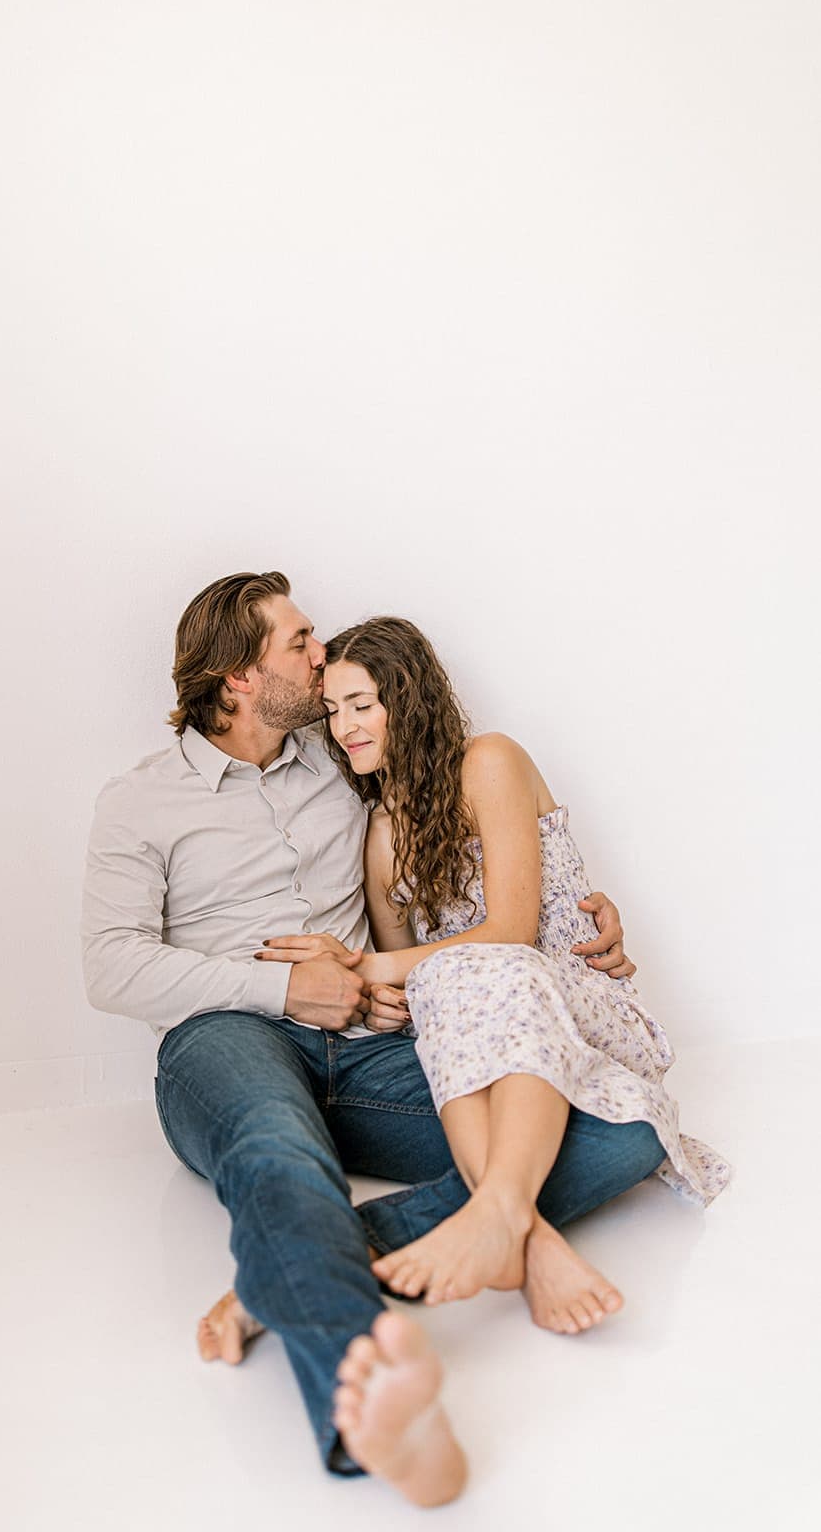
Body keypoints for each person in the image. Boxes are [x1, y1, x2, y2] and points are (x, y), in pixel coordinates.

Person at [81, 572, 666, 1508]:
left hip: (373, 1040)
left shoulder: (346, 761)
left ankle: (293, 1271)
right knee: (278, 1156)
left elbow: (476, 866)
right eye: (300, 642)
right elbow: (111, 968)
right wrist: (283, 988)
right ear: (238, 676)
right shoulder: (139, 801)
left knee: (617, 1134)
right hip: (227, 1038)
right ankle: (375, 1407)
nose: (319, 660)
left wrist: (582, 913)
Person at [254, 616, 730, 1434]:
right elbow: (423, 994)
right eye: (333, 711)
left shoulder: (490, 761)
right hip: (490, 1034)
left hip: (584, 1006)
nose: (346, 728)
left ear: (406, 700)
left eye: (362, 704)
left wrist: (363, 964)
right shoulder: (383, 833)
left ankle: (493, 1214)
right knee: (446, 987)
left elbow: (510, 928)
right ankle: (526, 1235)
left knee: (480, 964)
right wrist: (385, 988)